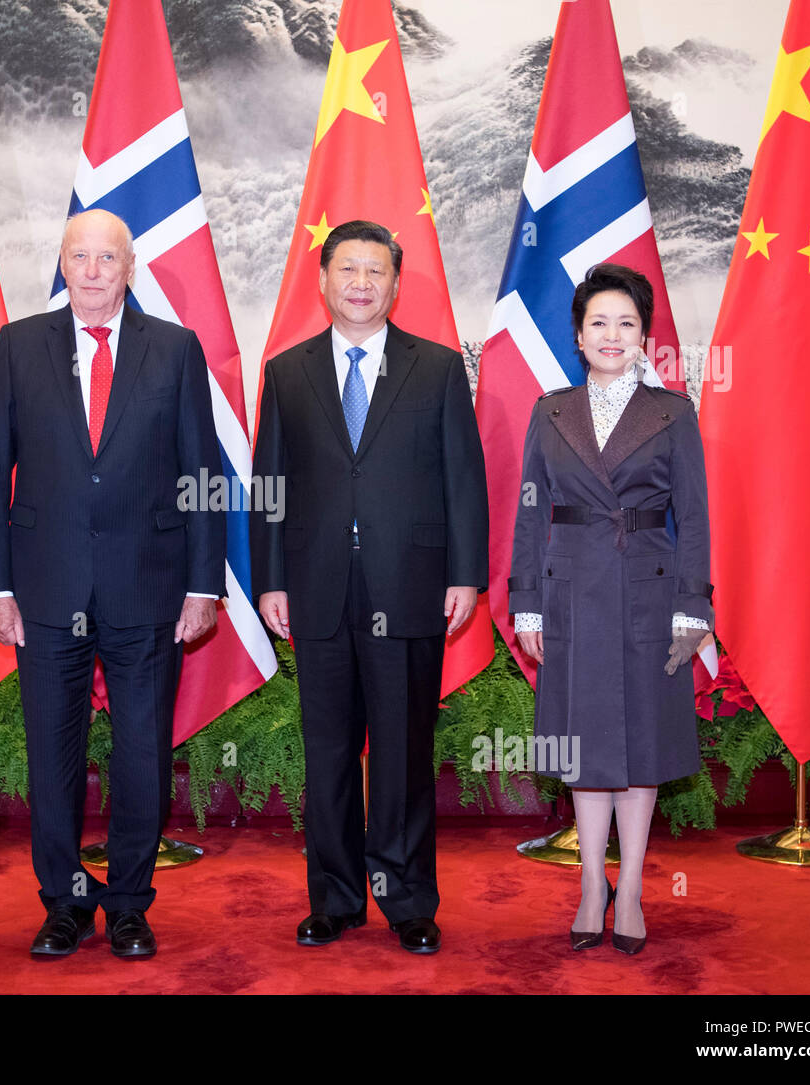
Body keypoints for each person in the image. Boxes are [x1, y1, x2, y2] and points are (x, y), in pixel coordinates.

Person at [0, 209, 224, 960]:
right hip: (44, 590)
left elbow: (200, 473)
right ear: (62, 263)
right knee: (54, 752)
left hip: (149, 586)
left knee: (143, 751)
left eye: (105, 258)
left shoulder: (174, 350)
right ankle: (65, 901)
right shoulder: (19, 346)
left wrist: (204, 583)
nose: (91, 271)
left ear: (129, 267)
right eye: (78, 256)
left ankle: (130, 905)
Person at [251, 219, 488, 954]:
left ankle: (408, 897)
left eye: (374, 271)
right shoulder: (287, 372)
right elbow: (269, 487)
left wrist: (466, 574)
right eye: (347, 269)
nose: (360, 283)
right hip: (316, 589)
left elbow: (464, 481)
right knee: (327, 754)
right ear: (322, 280)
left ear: (395, 282)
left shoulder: (439, 367)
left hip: (409, 585)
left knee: (402, 752)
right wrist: (269, 581)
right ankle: (337, 899)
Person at [508, 262, 712, 955]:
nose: (612, 333)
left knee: (640, 747)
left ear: (644, 335)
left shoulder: (673, 412)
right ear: (578, 333)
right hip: (569, 591)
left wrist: (693, 607)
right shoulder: (550, 409)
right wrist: (527, 603)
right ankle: (593, 881)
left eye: (626, 322)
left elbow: (695, 516)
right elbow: (530, 512)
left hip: (651, 596)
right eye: (599, 321)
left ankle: (631, 891)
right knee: (586, 746)